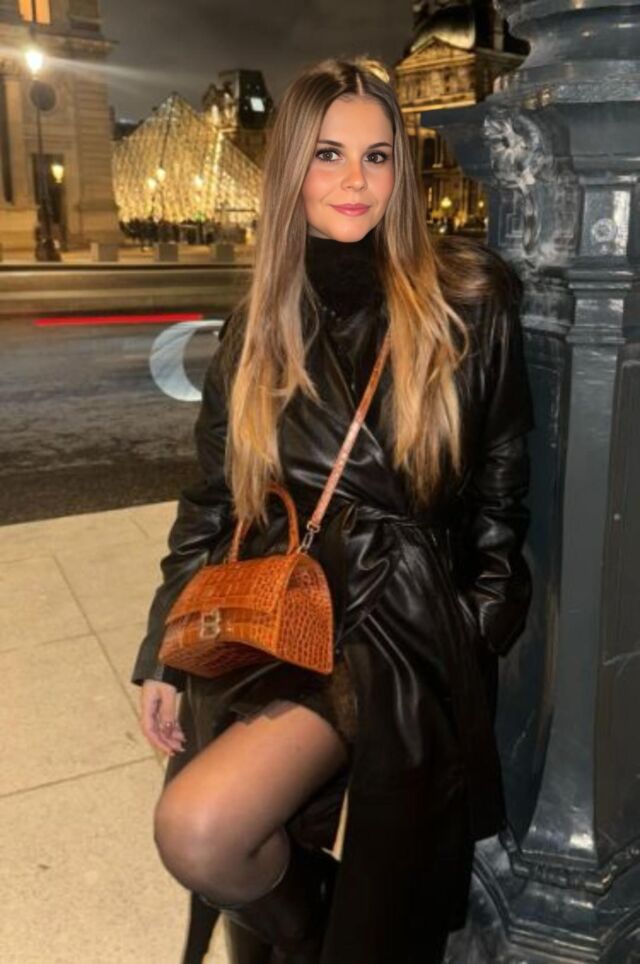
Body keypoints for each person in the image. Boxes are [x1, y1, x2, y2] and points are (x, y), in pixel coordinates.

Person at [132, 57, 534, 964]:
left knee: (202, 827)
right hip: (270, 606)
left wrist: (476, 624)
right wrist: (161, 649)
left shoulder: (465, 299)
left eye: (378, 155)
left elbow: (502, 496)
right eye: (328, 154)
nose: (357, 180)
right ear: (289, 171)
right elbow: (213, 499)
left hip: (395, 624)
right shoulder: (258, 322)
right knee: (222, 842)